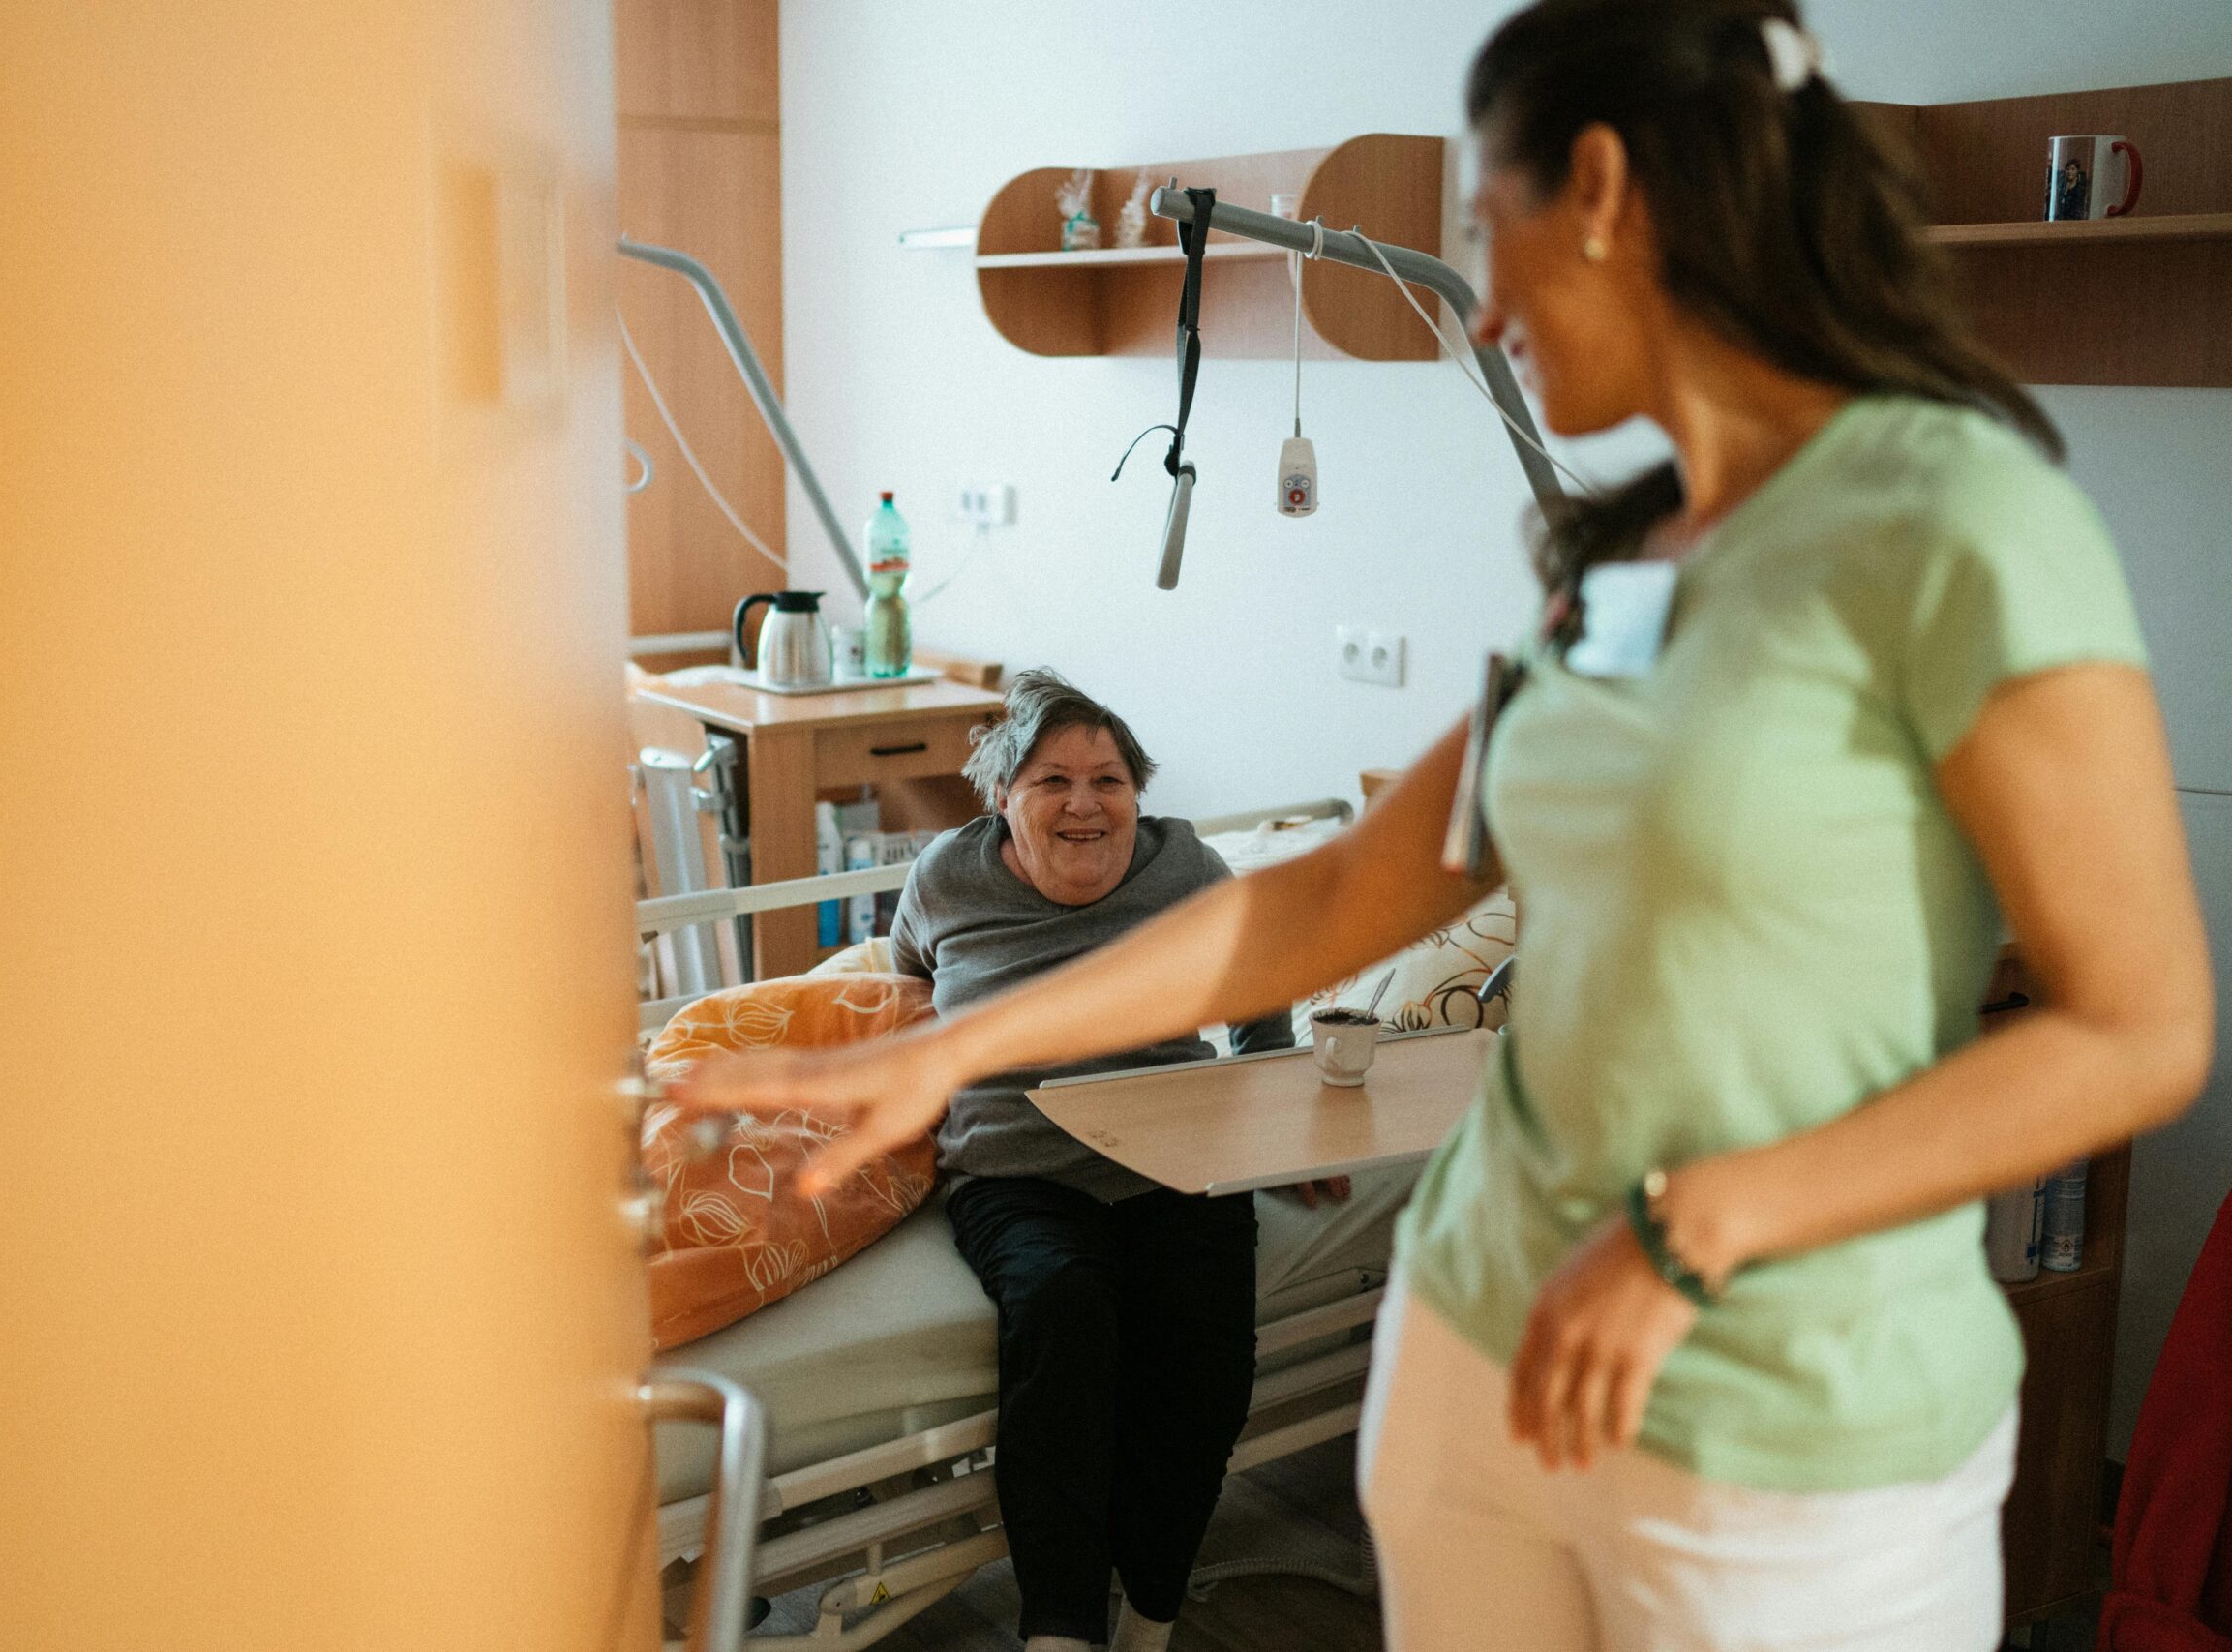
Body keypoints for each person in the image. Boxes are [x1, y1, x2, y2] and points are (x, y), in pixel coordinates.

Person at [677, 1, 2215, 1646]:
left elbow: (2137, 1028)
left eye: (1491, 231)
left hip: (1781, 1422)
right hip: (1482, 1342)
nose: (1482, 310)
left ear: (1606, 188)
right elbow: (1335, 893)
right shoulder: (1620, 568)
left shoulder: (1958, 530)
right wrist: (947, 1052)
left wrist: (1704, 1224)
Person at [883, 670, 1318, 1652]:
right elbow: (907, 979)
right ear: (1002, 799)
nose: (1085, 803)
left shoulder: (1187, 867)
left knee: (1204, 1353)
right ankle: (1061, 1627)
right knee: (1062, 1311)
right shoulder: (947, 876)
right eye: (1051, 781)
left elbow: (1259, 979)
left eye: (1109, 780)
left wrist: (1279, 1113)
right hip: (1017, 1168)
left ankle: (1152, 1613)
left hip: (1176, 1153)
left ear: (1137, 796)